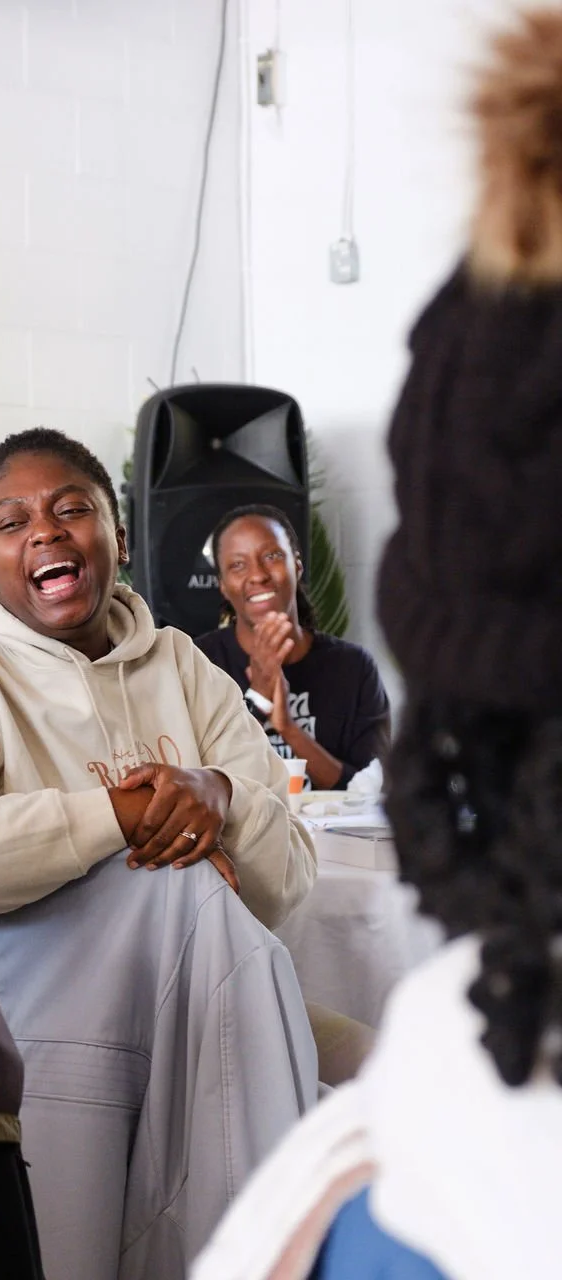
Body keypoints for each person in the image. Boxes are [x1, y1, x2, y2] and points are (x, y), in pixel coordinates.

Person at [192, 12, 562, 1277]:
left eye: (270, 562)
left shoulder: (383, 1194)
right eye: (234, 567)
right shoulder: (190, 671)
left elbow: (350, 774)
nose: (255, 579)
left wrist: (291, 712)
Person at [0, 428, 319, 1278]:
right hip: (27, 1020)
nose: (45, 532)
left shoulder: (180, 664)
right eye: (13, 523)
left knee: (395, 1073)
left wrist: (220, 797)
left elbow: (289, 883)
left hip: (194, 990)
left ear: (120, 538)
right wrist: (121, 812)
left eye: (74, 509)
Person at [197, 505, 390, 790]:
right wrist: (259, 699)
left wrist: (288, 728)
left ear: (296, 566)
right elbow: (199, 779)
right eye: (238, 564)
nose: (258, 575)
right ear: (223, 586)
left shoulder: (353, 667)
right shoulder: (199, 662)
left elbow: (369, 789)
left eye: (272, 556)